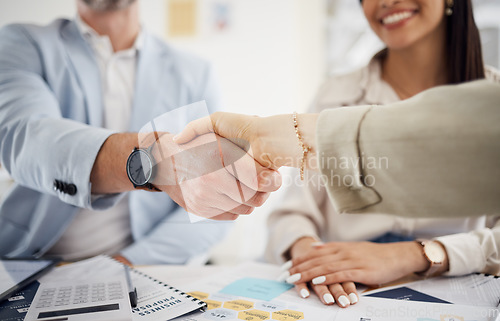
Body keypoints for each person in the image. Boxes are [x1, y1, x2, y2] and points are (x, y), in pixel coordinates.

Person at [174, 0, 500, 307]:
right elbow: (292, 212)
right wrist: (309, 254)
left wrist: (421, 254)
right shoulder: (336, 95)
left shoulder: (491, 105)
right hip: (344, 290)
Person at [0, 0, 280, 264]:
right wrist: (155, 160)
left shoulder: (195, 73)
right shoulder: (22, 44)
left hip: (143, 268)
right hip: (33, 260)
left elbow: (210, 208)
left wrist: (129, 264)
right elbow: (26, 137)